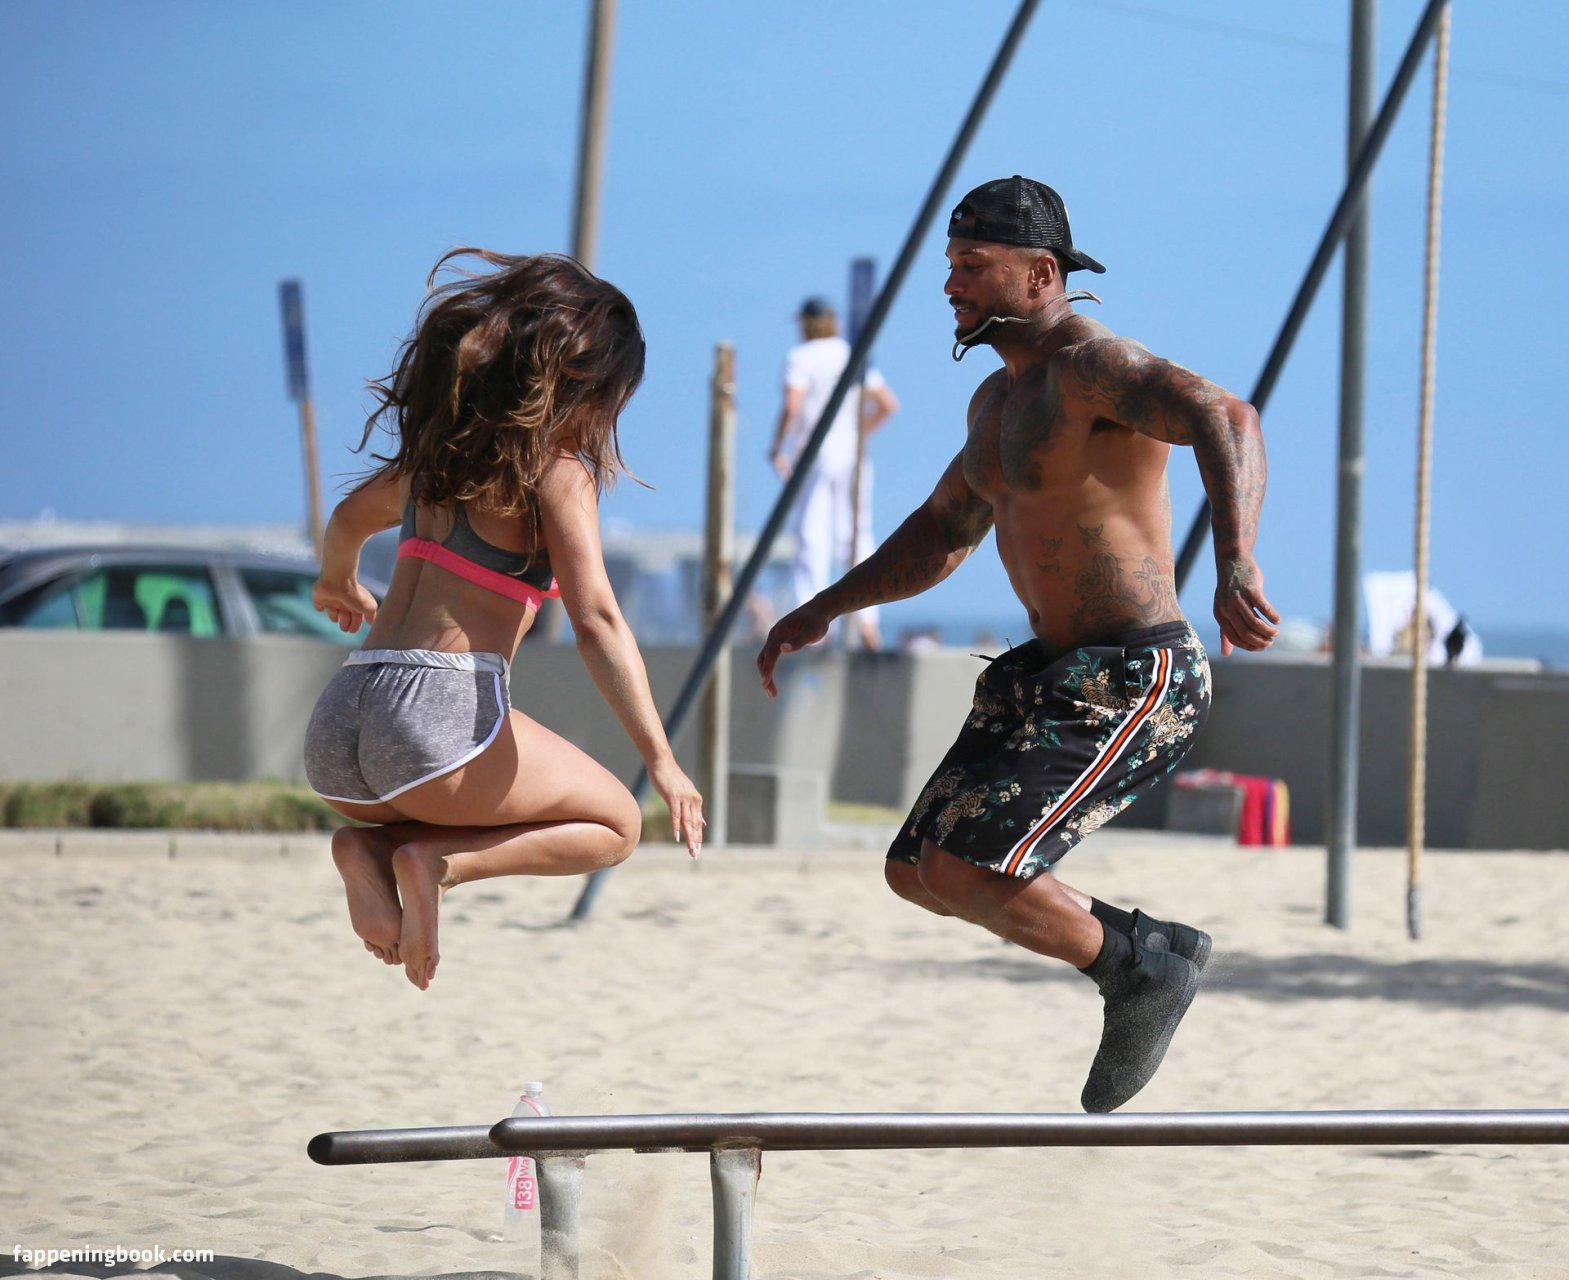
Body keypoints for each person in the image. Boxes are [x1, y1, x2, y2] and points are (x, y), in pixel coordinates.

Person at [758, 176, 1279, 1112]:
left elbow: (1226, 416)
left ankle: (1142, 974)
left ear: (1040, 273)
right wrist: (823, 607)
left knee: (966, 868)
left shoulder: (1093, 366)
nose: (950, 285)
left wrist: (1236, 558)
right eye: (950, 265)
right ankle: (1149, 951)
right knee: (916, 871)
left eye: (971, 265)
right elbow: (942, 531)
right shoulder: (994, 404)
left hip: (1133, 674)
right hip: (1045, 674)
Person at [303, 248, 704, 991]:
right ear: (587, 383)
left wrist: (339, 583)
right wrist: (661, 760)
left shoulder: (433, 460)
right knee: (616, 825)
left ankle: (372, 849)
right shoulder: (556, 470)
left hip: (339, 722)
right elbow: (596, 619)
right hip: (436, 711)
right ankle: (436, 864)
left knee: (444, 799)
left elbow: (349, 516)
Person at [768, 297, 900, 649]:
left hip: (814, 454)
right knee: (855, 533)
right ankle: (867, 623)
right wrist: (858, 433)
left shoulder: (801, 356)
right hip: (852, 454)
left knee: (810, 535)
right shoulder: (851, 353)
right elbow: (887, 404)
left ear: (805, 324)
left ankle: (809, 625)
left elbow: (792, 404)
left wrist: (777, 447)